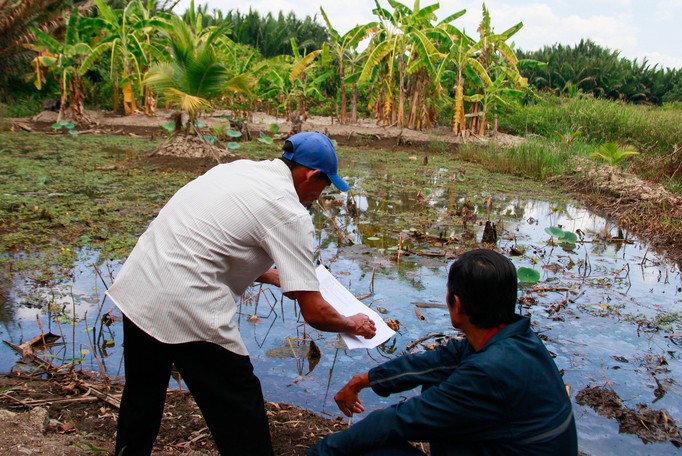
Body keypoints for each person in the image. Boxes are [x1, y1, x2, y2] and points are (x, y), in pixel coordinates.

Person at [106, 131, 377, 456]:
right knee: (240, 406)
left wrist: (275, 277)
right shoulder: (290, 212)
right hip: (186, 303)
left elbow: (212, 238)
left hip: (140, 285)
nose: (319, 196)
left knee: (142, 399)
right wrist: (353, 323)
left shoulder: (238, 170)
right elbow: (315, 312)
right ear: (312, 175)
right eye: (324, 185)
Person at [308, 248, 577, 456]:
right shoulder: (517, 337)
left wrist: (322, 451)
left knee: (371, 449)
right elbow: (435, 362)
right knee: (435, 376)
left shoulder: (487, 371)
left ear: (455, 303)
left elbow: (399, 420)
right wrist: (363, 381)